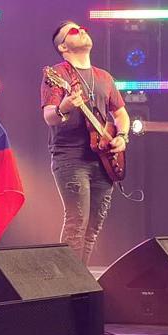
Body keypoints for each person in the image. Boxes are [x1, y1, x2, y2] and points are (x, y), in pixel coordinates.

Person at [39, 21, 130, 264]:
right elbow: (49, 116)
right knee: (77, 222)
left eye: (80, 27)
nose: (80, 30)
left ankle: (79, 282)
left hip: (102, 159)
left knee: (92, 229)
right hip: (70, 157)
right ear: (63, 47)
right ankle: (67, 285)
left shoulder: (105, 77)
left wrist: (122, 137)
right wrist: (64, 107)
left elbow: (121, 115)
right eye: (72, 31)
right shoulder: (58, 74)